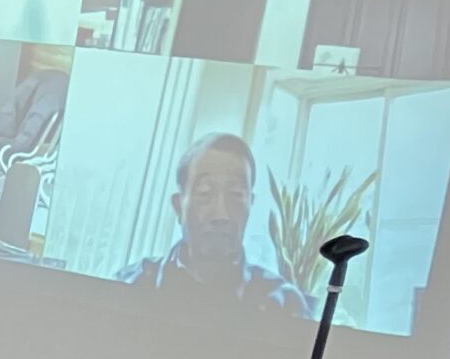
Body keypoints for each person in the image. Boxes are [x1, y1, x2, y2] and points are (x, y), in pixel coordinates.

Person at [118, 134, 312, 318]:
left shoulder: (284, 304)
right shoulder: (131, 284)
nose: (222, 215)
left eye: (236, 194)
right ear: (178, 206)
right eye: (205, 193)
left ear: (250, 205)